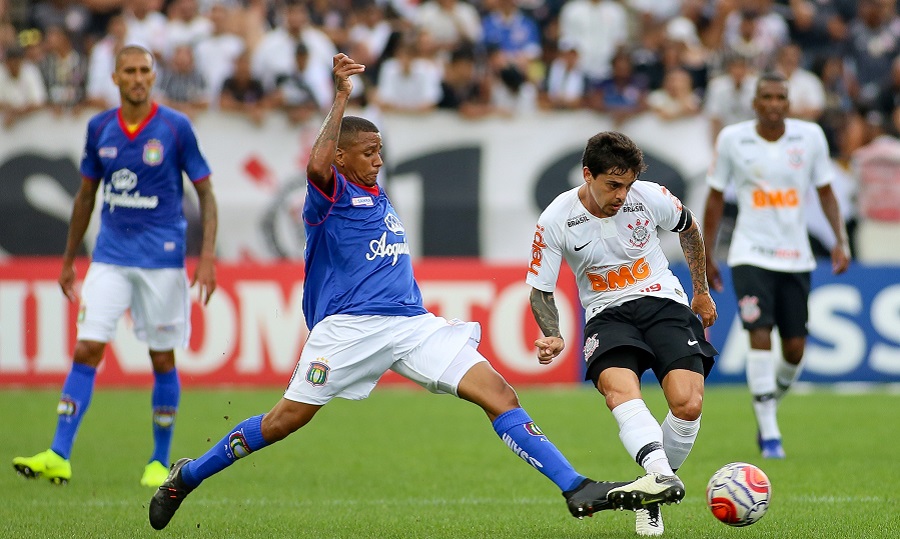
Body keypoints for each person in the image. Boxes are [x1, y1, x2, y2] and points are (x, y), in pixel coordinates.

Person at [148, 54, 657, 531]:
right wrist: (341, 96)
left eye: (381, 154)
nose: (377, 162)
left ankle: (574, 486)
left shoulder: (375, 193)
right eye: (367, 154)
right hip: (349, 329)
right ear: (342, 156)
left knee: (498, 393)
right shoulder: (329, 195)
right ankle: (187, 476)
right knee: (284, 421)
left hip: (412, 325)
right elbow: (315, 167)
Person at [12, 45, 218, 488]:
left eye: (146, 70)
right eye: (131, 70)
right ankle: (59, 453)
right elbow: (85, 196)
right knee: (87, 348)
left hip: (162, 260)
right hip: (109, 257)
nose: (139, 77)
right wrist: (69, 260)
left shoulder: (176, 127)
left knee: (161, 356)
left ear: (153, 76)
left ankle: (159, 461)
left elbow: (206, 193)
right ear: (116, 77)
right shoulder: (99, 128)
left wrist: (207, 257)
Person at [526, 130, 719, 537]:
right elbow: (541, 290)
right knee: (619, 391)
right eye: (613, 185)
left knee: (688, 404)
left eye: (627, 184)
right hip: (606, 314)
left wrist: (700, 291)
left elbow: (688, 227)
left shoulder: (649, 197)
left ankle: (652, 489)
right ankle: (659, 484)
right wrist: (554, 333)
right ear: (587, 175)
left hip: (663, 301)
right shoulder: (556, 218)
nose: (621, 195)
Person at [703, 72, 850, 460]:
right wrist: (707, 254)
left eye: (780, 97)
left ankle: (768, 404)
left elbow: (826, 191)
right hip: (750, 253)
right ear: (755, 103)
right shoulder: (733, 139)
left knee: (796, 349)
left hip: (795, 256)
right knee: (759, 334)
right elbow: (715, 198)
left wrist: (840, 239)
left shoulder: (810, 137)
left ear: (788, 102)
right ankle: (770, 435)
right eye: (766, 97)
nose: (773, 103)